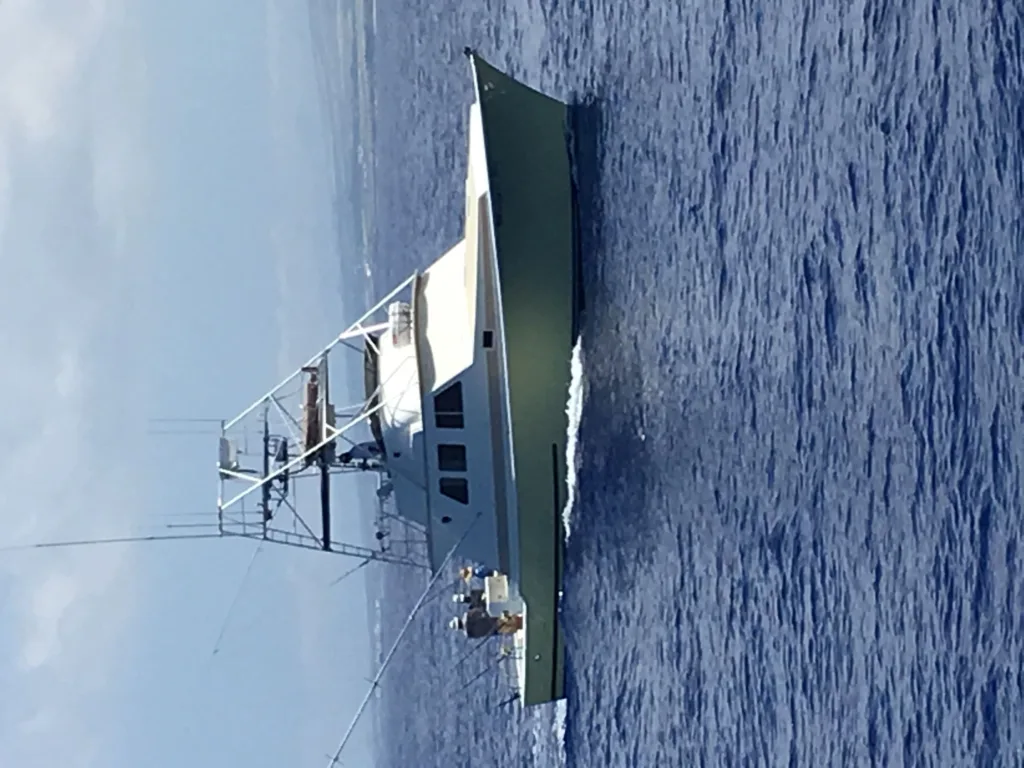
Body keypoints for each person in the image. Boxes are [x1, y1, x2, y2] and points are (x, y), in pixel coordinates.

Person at [448, 608, 523, 639]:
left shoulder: (469, 634)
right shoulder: (467, 616)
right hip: (496, 620)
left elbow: (481, 635)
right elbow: (481, 610)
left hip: (496, 630)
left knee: (515, 628)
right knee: (517, 620)